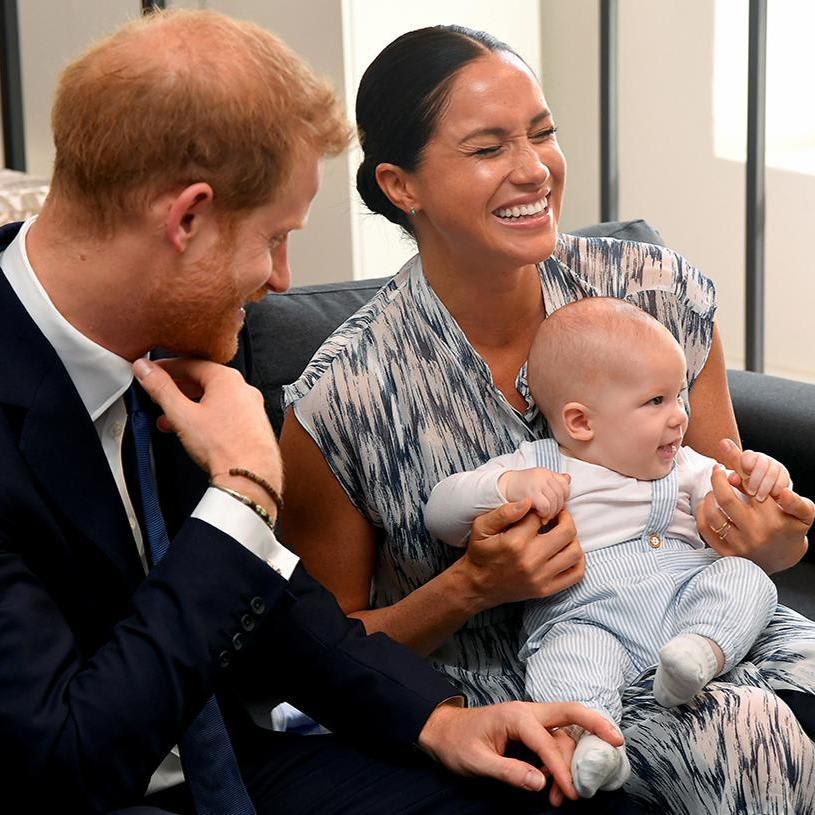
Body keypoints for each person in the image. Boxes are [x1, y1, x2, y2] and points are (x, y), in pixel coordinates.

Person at [0, 10, 636, 815]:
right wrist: (240, 500)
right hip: (86, 784)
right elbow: (62, 755)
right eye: (275, 238)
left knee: (566, 795)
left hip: (237, 760)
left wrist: (439, 719)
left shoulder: (187, 334)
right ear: (186, 219)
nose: (279, 279)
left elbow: (278, 600)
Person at [278, 23, 815, 813]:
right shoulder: (344, 397)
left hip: (715, 632)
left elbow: (734, 507)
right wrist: (469, 587)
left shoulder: (652, 291)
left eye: (542, 133)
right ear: (402, 185)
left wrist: (772, 536)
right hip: (538, 692)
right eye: (488, 147)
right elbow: (322, 655)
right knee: (741, 736)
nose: (534, 169)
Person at [424, 296, 805, 797]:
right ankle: (597, 742)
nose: (680, 417)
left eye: (679, 397)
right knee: (566, 660)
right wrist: (508, 488)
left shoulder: (683, 465)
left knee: (745, 578)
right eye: (656, 401)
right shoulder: (538, 465)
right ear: (581, 422)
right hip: (586, 615)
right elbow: (440, 512)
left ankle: (701, 654)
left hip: (686, 595)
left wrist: (761, 477)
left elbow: (735, 502)